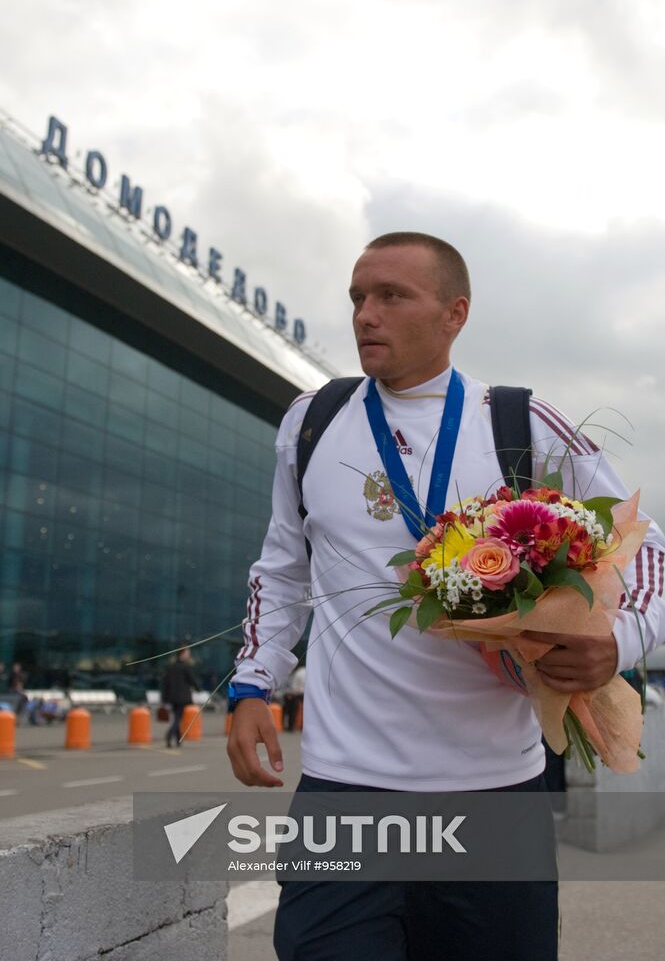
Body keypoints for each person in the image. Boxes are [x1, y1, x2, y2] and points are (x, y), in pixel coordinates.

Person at [227, 233, 665, 961]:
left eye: (391, 296)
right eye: (357, 298)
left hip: (494, 795)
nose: (366, 315)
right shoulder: (310, 423)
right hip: (345, 790)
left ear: (454, 313)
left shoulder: (522, 424)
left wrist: (615, 645)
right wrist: (252, 683)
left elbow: (647, 550)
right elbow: (281, 567)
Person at [161, 647, 199, 748]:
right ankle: (170, 734)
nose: (189, 655)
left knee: (177, 717)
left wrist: (164, 698)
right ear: (182, 654)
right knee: (178, 718)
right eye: (187, 653)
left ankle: (178, 740)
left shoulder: (171, 667)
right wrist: (198, 688)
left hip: (172, 697)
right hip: (182, 697)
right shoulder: (185, 667)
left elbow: (165, 683)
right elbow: (192, 680)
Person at [283, 664, 306, 731]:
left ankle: (291, 727)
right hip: (302, 694)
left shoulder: (298, 673)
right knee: (298, 711)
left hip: (296, 694)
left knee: (292, 711)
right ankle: (299, 726)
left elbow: (295, 687)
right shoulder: (306, 671)